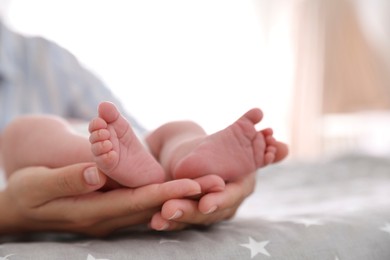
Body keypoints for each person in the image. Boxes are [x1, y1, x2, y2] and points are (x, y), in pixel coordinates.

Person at [0, 17, 288, 235]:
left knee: (173, 130)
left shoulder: (42, 58)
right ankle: (149, 158)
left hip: (133, 153)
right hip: (61, 174)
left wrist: (228, 175)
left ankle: (188, 155)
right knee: (21, 132)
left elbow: (130, 129)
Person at [2, 101, 287, 188]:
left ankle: (188, 154)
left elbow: (118, 119)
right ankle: (177, 155)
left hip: (134, 144)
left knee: (179, 129)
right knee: (20, 132)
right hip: (107, 144)